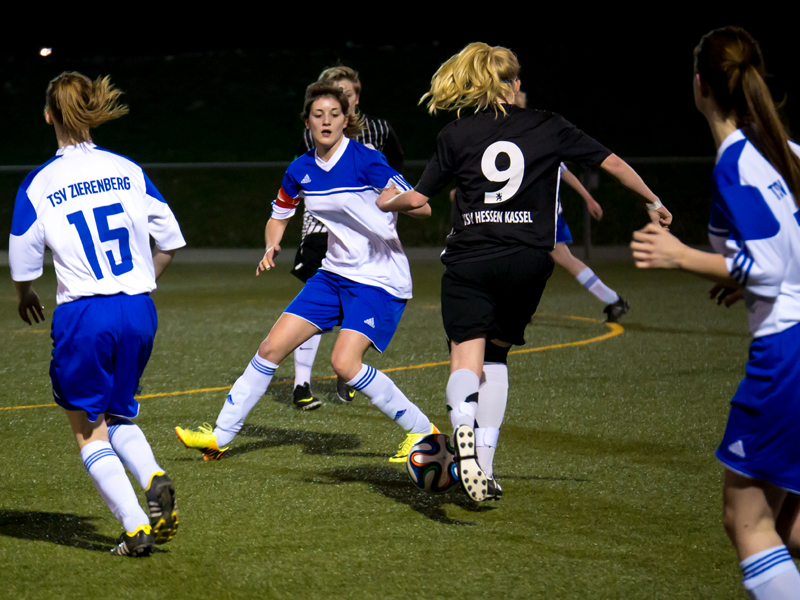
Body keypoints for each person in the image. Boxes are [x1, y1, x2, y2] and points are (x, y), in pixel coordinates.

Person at [377, 42, 671, 501]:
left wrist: (388, 201)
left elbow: (418, 198)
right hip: (529, 261)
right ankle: (487, 467)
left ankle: (461, 437)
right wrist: (654, 201)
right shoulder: (548, 124)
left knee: (465, 358)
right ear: (513, 85)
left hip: (472, 257)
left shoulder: (456, 134)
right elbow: (610, 161)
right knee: (496, 358)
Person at [175, 81, 438, 464]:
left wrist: (391, 201)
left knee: (344, 365)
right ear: (307, 122)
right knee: (270, 348)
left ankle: (421, 430)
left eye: (335, 114)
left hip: (379, 278)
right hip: (333, 274)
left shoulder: (366, 160)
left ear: (347, 120)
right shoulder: (301, 169)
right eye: (319, 115)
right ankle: (219, 436)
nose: (327, 121)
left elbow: (423, 207)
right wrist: (271, 244)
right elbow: (278, 215)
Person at [631, 26, 800, 599]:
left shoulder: (736, 160)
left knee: (746, 522)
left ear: (700, 85)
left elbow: (773, 267)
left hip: (787, 353)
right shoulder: (786, 152)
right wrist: (734, 271)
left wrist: (681, 256)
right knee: (791, 526)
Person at [9, 72, 185, 557]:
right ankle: (151, 475)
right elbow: (170, 240)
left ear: (48, 115)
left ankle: (134, 526)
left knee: (88, 430)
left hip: (85, 315)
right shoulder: (128, 169)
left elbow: (22, 260)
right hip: (138, 310)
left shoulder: (39, 182)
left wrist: (25, 293)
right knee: (118, 411)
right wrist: (139, 286)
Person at [291, 65, 406, 410]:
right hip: (320, 232)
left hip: (367, 240)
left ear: (355, 98)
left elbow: (397, 175)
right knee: (308, 309)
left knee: (355, 307)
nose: (344, 100)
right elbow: (301, 174)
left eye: (349, 94)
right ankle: (301, 384)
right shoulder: (316, 133)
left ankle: (347, 367)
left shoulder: (379, 130)